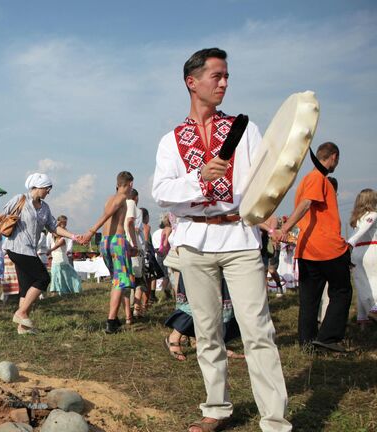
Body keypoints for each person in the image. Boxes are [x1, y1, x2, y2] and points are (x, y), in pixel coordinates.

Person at [152, 48, 291, 432]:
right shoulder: (171, 140)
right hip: (194, 240)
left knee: (258, 329)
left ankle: (275, 419)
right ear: (191, 82)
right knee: (208, 331)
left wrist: (268, 209)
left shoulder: (245, 129)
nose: (225, 83)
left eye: (227, 75)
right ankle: (216, 408)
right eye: (217, 76)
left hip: (240, 238)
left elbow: (263, 177)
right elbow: (161, 191)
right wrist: (200, 178)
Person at [0, 173, 81, 334]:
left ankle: (23, 327)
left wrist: (73, 236)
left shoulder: (45, 208)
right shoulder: (21, 199)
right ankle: (21, 313)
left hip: (30, 249)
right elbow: (2, 215)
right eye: (47, 188)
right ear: (37, 186)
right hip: (17, 247)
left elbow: (53, 226)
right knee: (43, 278)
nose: (48, 191)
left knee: (26, 287)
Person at [275, 142, 352, 352]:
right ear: (333, 157)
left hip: (307, 249)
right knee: (342, 291)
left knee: (309, 299)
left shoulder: (307, 179)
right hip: (327, 248)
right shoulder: (318, 178)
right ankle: (328, 338)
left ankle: (307, 343)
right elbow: (306, 204)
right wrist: (285, 228)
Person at [82, 171, 136, 333]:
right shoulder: (121, 199)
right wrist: (91, 231)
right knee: (120, 281)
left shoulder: (109, 199)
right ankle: (111, 321)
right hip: (116, 241)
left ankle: (115, 318)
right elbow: (107, 215)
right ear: (130, 184)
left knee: (116, 281)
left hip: (106, 241)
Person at [346, 188, 377, 328]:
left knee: (361, 284)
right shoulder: (373, 215)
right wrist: (349, 243)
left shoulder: (356, 218)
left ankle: (363, 318)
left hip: (356, 253)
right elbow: (363, 230)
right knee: (373, 280)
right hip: (371, 250)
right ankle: (375, 308)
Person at [47, 215, 82, 296]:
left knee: (66, 275)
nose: (64, 225)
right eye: (62, 223)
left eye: (65, 223)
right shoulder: (51, 234)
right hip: (55, 258)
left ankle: (67, 290)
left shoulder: (65, 235)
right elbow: (49, 243)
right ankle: (55, 291)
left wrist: (50, 250)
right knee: (55, 275)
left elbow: (61, 243)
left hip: (62, 258)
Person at [125, 189, 146, 317]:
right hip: (135, 247)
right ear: (136, 198)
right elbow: (134, 227)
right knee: (139, 280)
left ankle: (128, 311)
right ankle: (137, 309)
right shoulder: (137, 211)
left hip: (122, 246)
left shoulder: (120, 209)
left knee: (127, 280)